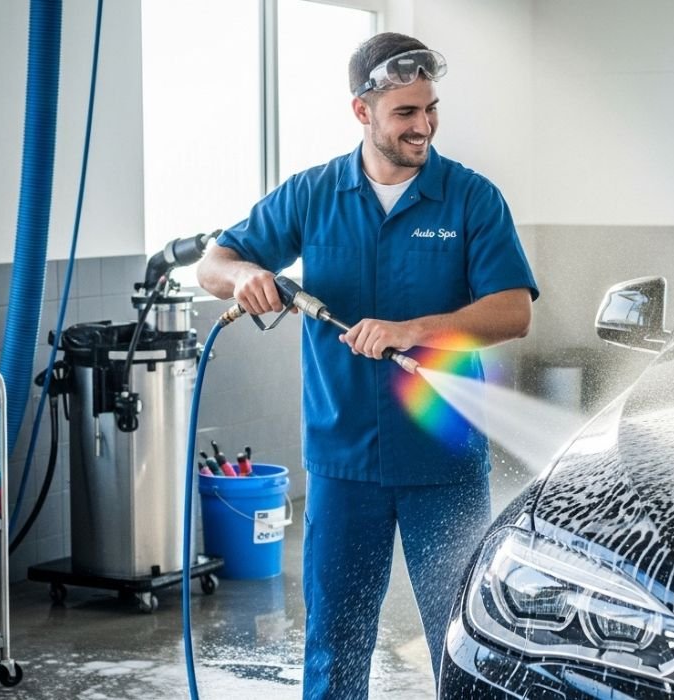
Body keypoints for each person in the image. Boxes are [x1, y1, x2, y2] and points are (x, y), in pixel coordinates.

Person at [196, 32, 538, 699]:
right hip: (342, 460)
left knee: (462, 640)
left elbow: (512, 310)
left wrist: (416, 330)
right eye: (406, 113)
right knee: (335, 641)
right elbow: (213, 261)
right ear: (363, 113)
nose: (425, 126)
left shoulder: (471, 198)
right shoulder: (312, 194)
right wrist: (243, 278)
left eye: (430, 108)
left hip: (444, 460)